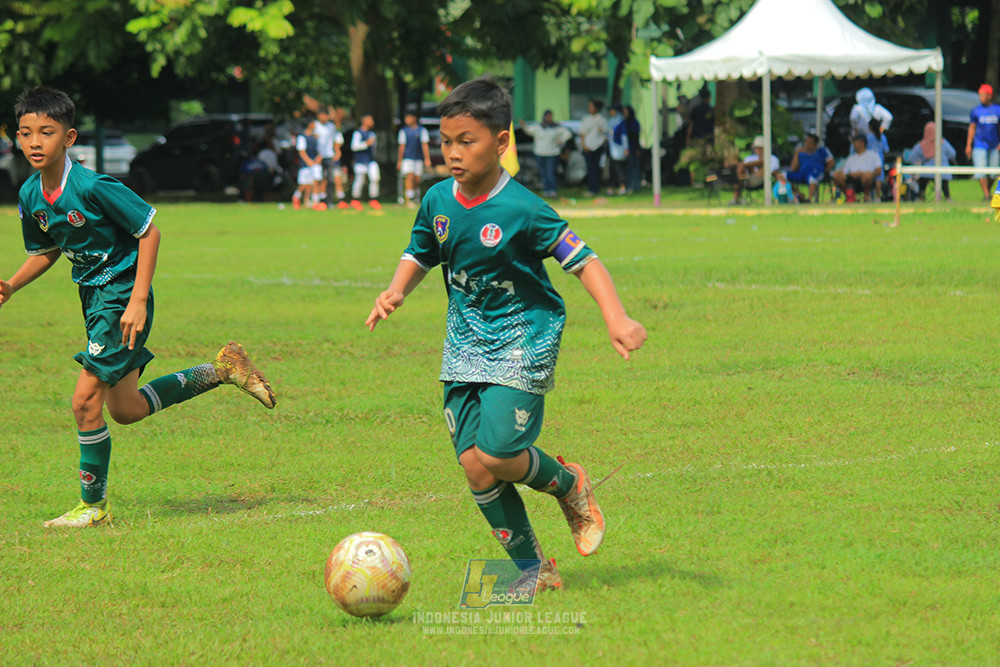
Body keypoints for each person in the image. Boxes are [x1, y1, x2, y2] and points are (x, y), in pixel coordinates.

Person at [365, 77, 647, 592]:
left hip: (524, 336)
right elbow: (421, 251)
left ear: (501, 142)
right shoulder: (437, 201)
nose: (452, 153)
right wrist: (396, 291)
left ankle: (570, 484)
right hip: (465, 343)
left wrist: (616, 318)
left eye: (465, 141)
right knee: (476, 467)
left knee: (497, 454)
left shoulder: (524, 209)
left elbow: (582, 261)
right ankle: (535, 571)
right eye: (445, 141)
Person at [0, 86, 276, 528]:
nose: (35, 143)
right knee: (125, 409)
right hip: (94, 301)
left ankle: (93, 508)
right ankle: (221, 370)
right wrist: (12, 285)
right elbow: (46, 249)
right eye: (27, 134)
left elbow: (150, 233)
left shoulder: (93, 186)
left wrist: (137, 300)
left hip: (121, 299)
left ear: (68, 139)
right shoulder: (32, 194)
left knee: (84, 401)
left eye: (46, 133)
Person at [520, 110, 572, 198]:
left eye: (550, 116)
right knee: (543, 173)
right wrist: (524, 126)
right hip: (540, 153)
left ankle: (553, 190)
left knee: (550, 173)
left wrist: (560, 140)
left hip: (552, 154)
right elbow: (528, 131)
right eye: (547, 116)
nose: (549, 118)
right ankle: (546, 190)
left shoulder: (556, 128)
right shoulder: (538, 127)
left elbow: (568, 134)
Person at [966, 83, 1000, 201]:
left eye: (983, 95)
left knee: (993, 172)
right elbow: (972, 128)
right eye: (980, 95)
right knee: (980, 171)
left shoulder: (997, 110)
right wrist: (968, 145)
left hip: (994, 145)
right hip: (979, 144)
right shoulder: (976, 111)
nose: (981, 97)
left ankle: (988, 192)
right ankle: (986, 195)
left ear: (989, 96)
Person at [909, 121, 956, 201]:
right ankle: (947, 197)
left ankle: (921, 196)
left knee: (923, 177)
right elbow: (952, 154)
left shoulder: (921, 145)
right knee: (943, 180)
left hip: (926, 173)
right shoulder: (943, 143)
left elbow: (911, 158)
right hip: (944, 173)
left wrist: (920, 162)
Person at [785, 133, 834, 203]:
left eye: (810, 143)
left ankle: (809, 199)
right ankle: (799, 194)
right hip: (802, 173)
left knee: (812, 178)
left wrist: (824, 171)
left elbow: (831, 163)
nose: (807, 145)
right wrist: (797, 153)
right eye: (806, 142)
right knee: (782, 176)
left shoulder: (822, 151)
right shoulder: (801, 153)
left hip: (816, 172)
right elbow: (793, 168)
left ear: (816, 144)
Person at [832, 134, 882, 202]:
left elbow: (879, 170)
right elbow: (845, 171)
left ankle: (867, 196)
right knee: (837, 175)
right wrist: (852, 174)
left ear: (862, 143)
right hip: (851, 178)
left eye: (855, 142)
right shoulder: (850, 157)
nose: (854, 145)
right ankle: (849, 196)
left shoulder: (873, 155)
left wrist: (865, 173)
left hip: (866, 179)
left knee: (867, 176)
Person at [397, 111, 432, 207]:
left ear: (414, 118)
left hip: (418, 158)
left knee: (417, 179)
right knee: (409, 177)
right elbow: (402, 147)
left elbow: (425, 145)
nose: (406, 120)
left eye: (408, 118)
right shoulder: (404, 131)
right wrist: (399, 160)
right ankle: (409, 198)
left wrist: (427, 159)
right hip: (407, 158)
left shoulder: (421, 130)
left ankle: (417, 196)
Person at [731, 136, 779, 205]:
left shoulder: (772, 158)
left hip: (762, 180)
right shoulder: (749, 158)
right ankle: (736, 198)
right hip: (746, 178)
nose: (758, 150)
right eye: (757, 148)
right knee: (740, 168)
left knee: (743, 166)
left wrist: (751, 165)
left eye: (761, 148)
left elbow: (773, 172)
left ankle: (736, 198)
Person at [350, 114, 381, 210]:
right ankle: (355, 199)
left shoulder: (372, 134)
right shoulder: (358, 133)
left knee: (375, 178)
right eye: (370, 120)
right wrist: (365, 144)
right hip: (360, 160)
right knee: (360, 179)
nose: (372, 123)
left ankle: (373, 199)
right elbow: (354, 147)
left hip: (371, 160)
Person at [579, 99, 608, 197]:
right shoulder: (586, 119)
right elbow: (582, 133)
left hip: (598, 146)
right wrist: (583, 145)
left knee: (596, 168)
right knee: (590, 168)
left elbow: (605, 133)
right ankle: (591, 188)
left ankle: (596, 189)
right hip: (588, 146)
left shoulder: (601, 119)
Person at [292, 118, 322, 210]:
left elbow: (320, 149)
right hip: (305, 164)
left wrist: (318, 158)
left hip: (315, 163)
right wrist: (308, 161)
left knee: (315, 181)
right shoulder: (302, 137)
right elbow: (302, 151)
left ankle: (314, 202)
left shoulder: (316, 137)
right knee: (305, 184)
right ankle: (296, 196)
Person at [606, 104, 627, 196]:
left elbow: (624, 136)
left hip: (619, 150)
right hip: (611, 149)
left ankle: (623, 187)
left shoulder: (620, 122)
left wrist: (626, 148)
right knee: (612, 169)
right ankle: (611, 187)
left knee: (619, 169)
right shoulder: (611, 122)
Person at [622, 105, 642, 193]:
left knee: (635, 167)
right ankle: (629, 185)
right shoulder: (623, 123)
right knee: (628, 168)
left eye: (626, 112)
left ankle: (635, 186)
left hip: (634, 148)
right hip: (626, 149)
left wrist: (637, 149)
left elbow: (636, 137)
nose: (625, 114)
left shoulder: (634, 123)